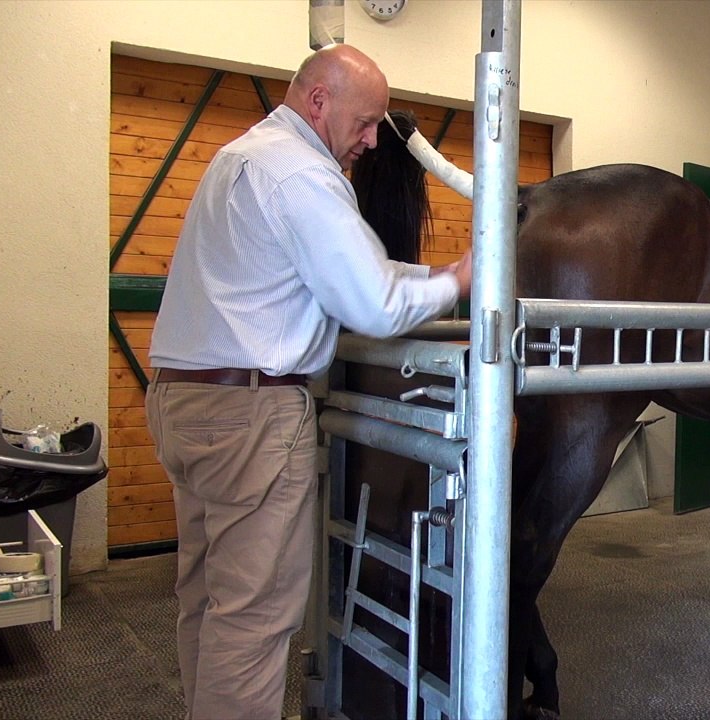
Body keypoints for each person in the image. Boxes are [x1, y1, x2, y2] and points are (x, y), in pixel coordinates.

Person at [145, 44, 471, 719]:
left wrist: (433, 277)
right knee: (255, 619)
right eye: (365, 121)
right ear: (318, 102)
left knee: (207, 600)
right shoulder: (302, 176)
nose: (373, 140)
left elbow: (355, 275)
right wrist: (464, 280)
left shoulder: (243, 156)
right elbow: (374, 305)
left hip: (185, 403)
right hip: (250, 418)